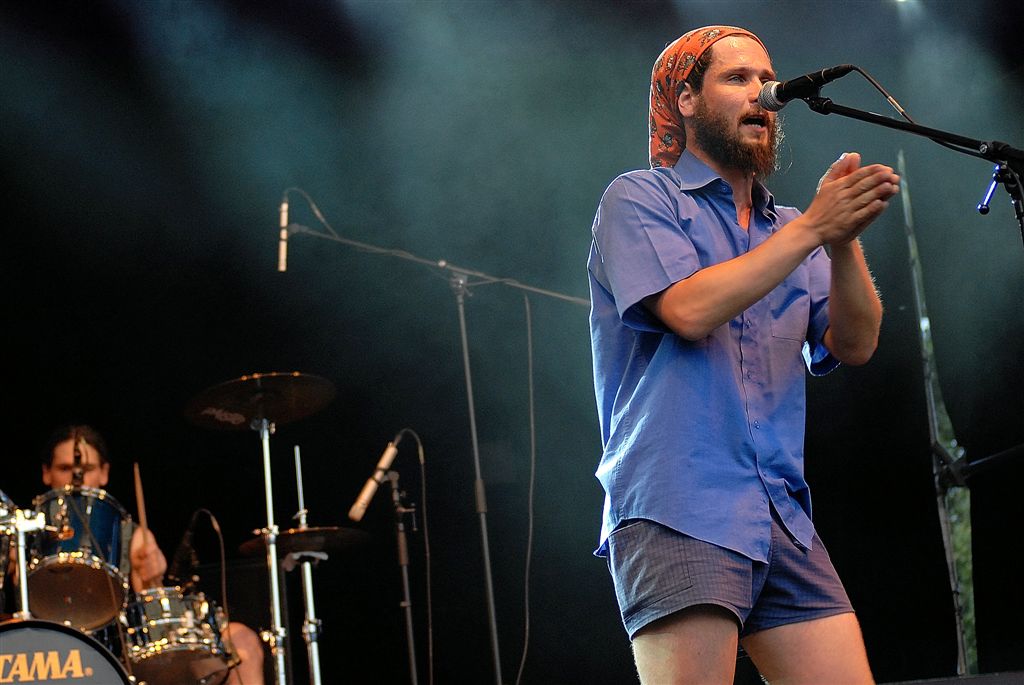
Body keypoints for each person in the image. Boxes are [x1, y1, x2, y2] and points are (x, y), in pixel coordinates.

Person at [588, 25, 899, 684]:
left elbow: (856, 343)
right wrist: (815, 228)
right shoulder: (640, 197)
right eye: (737, 78)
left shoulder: (790, 228)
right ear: (686, 100)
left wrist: (841, 240)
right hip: (678, 506)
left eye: (766, 79)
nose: (762, 92)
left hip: (780, 513)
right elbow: (688, 311)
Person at [38, 424, 266, 685]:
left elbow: (154, 625)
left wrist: (151, 578)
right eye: (65, 468)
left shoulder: (133, 536)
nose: (77, 480)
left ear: (104, 473)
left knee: (242, 640)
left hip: (118, 653)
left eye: (87, 469)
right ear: (46, 473)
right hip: (42, 651)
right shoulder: (25, 532)